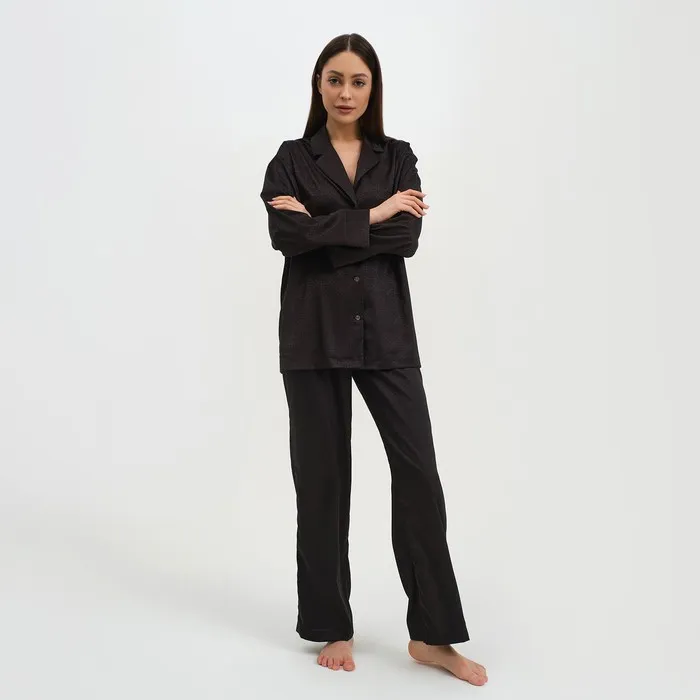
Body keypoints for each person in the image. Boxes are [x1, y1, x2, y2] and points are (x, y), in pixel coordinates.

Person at [259, 33, 488, 686]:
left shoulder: (398, 156)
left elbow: (405, 237)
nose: (345, 92)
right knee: (322, 480)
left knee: (418, 475)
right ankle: (330, 623)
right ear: (318, 84)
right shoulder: (289, 160)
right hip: (312, 334)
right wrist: (373, 215)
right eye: (334, 79)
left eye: (358, 81)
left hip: (385, 332)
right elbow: (284, 235)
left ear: (372, 88)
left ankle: (433, 636)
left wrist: (328, 226)